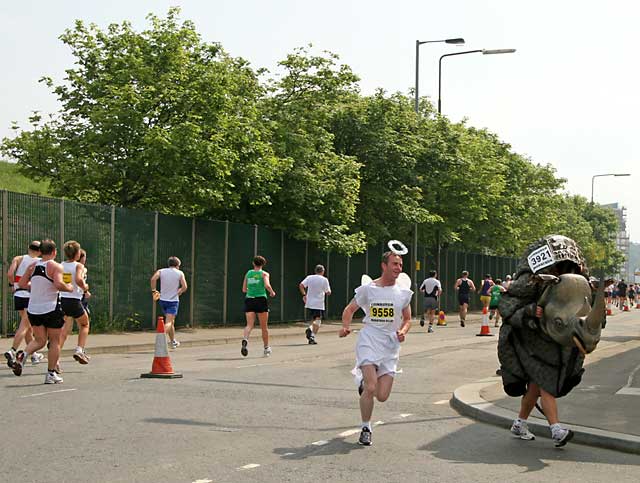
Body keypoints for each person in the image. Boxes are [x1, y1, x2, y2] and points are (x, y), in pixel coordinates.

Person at [498, 234, 599, 448]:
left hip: (557, 340)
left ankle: (519, 424)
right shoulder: (531, 282)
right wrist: (530, 312)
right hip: (534, 341)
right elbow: (508, 306)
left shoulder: (575, 282)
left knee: (536, 385)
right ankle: (556, 430)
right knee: (546, 383)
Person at [339, 250, 413, 446]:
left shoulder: (403, 292)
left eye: (400, 265)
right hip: (369, 340)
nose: (398, 268)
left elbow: (407, 319)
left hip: (390, 346)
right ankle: (366, 428)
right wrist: (345, 327)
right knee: (372, 387)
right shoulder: (369, 289)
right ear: (384, 265)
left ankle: (364, 386)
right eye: (395, 264)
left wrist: (403, 331)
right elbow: (349, 309)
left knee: (382, 396)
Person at [12, 239, 73, 383]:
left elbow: (21, 284)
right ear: (54, 252)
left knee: (39, 340)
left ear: (40, 252)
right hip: (50, 308)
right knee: (54, 342)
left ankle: (23, 355)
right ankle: (50, 374)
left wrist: (37, 286)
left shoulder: (32, 266)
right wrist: (69, 288)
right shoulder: (55, 266)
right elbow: (58, 284)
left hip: (34, 309)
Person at [4, 241, 45, 368]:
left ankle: (33, 355)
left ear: (28, 248)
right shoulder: (39, 261)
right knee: (24, 326)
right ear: (40, 251)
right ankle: (13, 350)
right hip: (29, 295)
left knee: (27, 326)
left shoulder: (18, 258)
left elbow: (10, 274)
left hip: (18, 295)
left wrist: (12, 284)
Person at [59, 241, 91, 365]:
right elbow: (78, 279)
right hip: (74, 300)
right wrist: (85, 288)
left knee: (63, 331)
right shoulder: (79, 266)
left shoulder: (61, 265)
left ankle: (55, 360)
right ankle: (79, 350)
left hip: (62, 299)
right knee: (84, 324)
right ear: (77, 253)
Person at [241, 256, 276, 357]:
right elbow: (267, 285)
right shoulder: (264, 274)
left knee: (249, 325)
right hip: (260, 299)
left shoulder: (248, 273)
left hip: (249, 299)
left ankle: (245, 339)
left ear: (253, 263)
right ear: (263, 264)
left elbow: (244, 289)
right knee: (264, 327)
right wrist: (272, 292)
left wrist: (251, 289)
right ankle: (266, 348)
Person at [150, 256, 188, 349]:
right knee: (169, 322)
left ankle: (172, 341)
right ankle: (161, 339)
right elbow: (184, 287)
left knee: (172, 322)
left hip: (162, 300)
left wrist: (154, 291)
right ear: (177, 265)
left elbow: (153, 279)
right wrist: (179, 292)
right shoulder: (180, 273)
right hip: (173, 301)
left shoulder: (161, 271)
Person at [299, 264, 331, 345]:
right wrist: (327, 291)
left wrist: (304, 295)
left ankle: (311, 333)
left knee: (315, 319)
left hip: (309, 302)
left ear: (315, 271)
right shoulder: (324, 279)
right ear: (323, 271)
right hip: (318, 303)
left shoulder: (309, 277)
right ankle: (311, 333)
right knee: (318, 320)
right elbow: (328, 292)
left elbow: (301, 285)